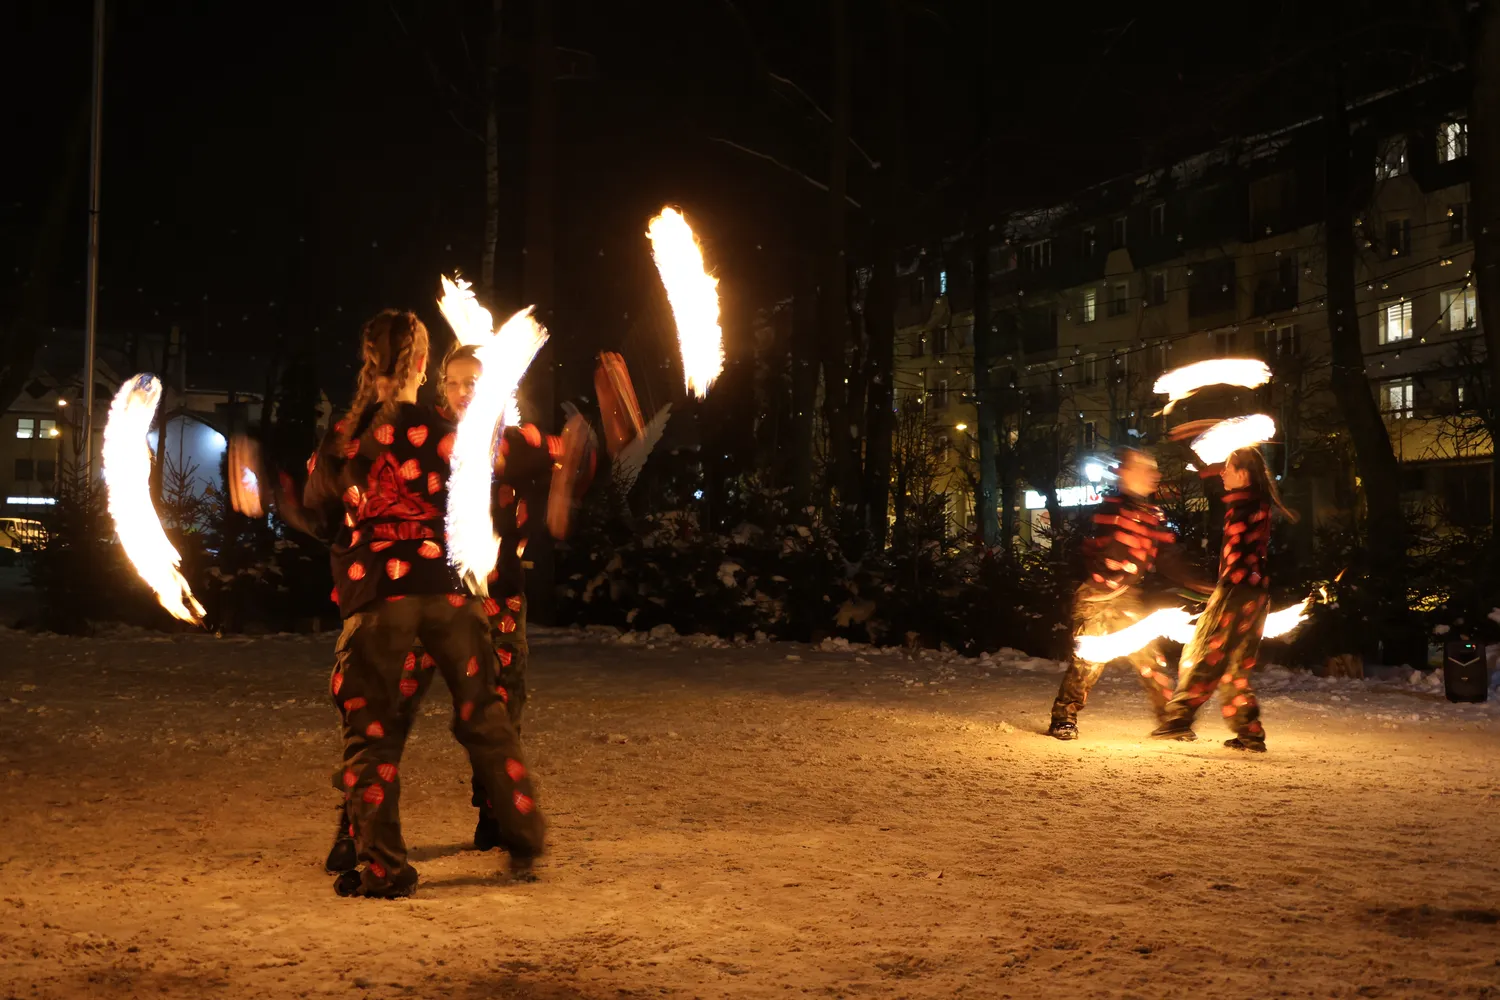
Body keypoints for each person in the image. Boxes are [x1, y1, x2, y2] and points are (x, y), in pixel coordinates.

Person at [302, 309, 545, 897]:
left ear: (370, 359)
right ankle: (522, 828)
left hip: (379, 599)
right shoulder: (446, 431)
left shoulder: (346, 435)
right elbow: (507, 462)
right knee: (484, 713)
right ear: (420, 364)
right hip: (447, 593)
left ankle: (383, 863)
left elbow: (320, 511)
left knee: (373, 732)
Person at [1048, 448, 1213, 740]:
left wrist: (1201, 585)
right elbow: (1094, 548)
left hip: (1126, 599)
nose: (1156, 475)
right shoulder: (1111, 509)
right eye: (1148, 469)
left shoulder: (1151, 515)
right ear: (1128, 473)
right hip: (1096, 598)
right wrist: (1108, 571)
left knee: (1150, 658)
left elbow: (1167, 557)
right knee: (1089, 661)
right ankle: (1064, 718)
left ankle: (1170, 720)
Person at [1151, 446, 1298, 751]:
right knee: (1235, 664)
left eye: (1228, 468)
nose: (1222, 472)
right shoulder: (1252, 503)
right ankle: (1249, 731)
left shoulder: (1248, 505)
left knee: (1206, 652)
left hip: (1237, 592)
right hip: (1253, 593)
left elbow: (1240, 551)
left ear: (1244, 474)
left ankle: (1179, 717)